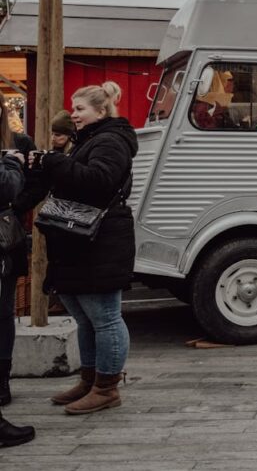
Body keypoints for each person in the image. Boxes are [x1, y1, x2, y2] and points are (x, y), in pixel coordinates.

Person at [24, 82, 137, 415]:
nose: (72, 114)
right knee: (85, 318)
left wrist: (54, 162)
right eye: (72, 108)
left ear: (100, 111)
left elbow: (98, 182)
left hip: (100, 241)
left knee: (104, 318)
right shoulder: (88, 140)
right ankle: (90, 380)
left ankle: (106, 387)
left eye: (79, 109)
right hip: (83, 242)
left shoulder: (111, 141)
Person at [0, 93, 35, 410]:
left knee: (4, 313)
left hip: (6, 239)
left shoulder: (21, 141)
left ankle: (2, 383)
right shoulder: (13, 151)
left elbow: (28, 186)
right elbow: (8, 186)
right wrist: (11, 162)